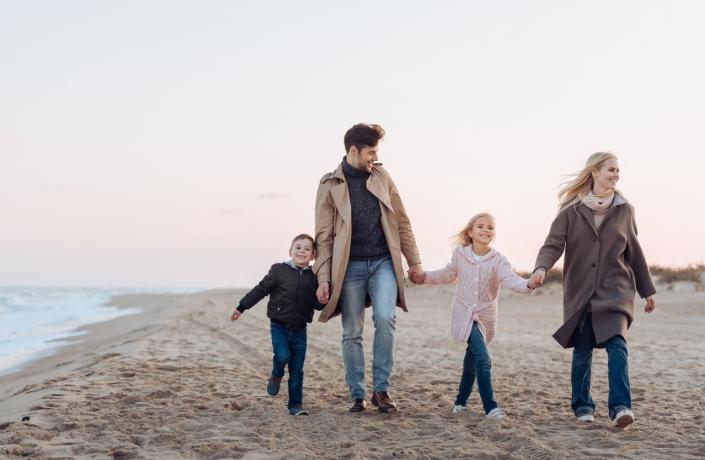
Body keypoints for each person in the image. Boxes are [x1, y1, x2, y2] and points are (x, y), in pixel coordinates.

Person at [527, 152, 656, 428]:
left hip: (616, 290)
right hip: (581, 292)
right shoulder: (571, 210)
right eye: (611, 169)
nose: (616, 174)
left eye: (618, 170)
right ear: (594, 172)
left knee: (618, 347)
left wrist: (647, 290)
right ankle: (583, 406)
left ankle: (621, 407)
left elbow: (634, 252)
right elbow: (552, 245)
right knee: (582, 350)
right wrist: (541, 269)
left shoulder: (625, 209)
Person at [314, 123, 423, 413]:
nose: (374, 157)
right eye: (371, 152)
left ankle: (381, 391)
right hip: (348, 268)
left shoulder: (382, 176)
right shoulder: (330, 184)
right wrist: (323, 278)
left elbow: (402, 221)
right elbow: (323, 237)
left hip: (384, 262)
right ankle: (357, 395)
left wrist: (414, 261)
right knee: (352, 331)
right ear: (353, 150)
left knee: (386, 319)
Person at [413, 213, 533, 418]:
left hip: (486, 315)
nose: (486, 230)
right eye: (480, 226)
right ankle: (491, 407)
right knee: (483, 359)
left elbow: (511, 280)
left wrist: (527, 285)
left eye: (490, 227)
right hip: (463, 312)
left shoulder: (498, 260)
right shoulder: (460, 254)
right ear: (470, 231)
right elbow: (447, 274)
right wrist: (423, 277)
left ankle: (460, 403)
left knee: (472, 360)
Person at [230, 233, 324, 416]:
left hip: (300, 329)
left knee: (297, 369)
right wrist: (241, 307)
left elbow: (316, 304)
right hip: (279, 325)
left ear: (313, 255)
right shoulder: (279, 270)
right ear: (290, 251)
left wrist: (323, 300)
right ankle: (276, 375)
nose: (302, 251)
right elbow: (261, 290)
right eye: (298, 247)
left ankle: (295, 405)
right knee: (281, 355)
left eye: (307, 249)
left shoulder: (314, 276)